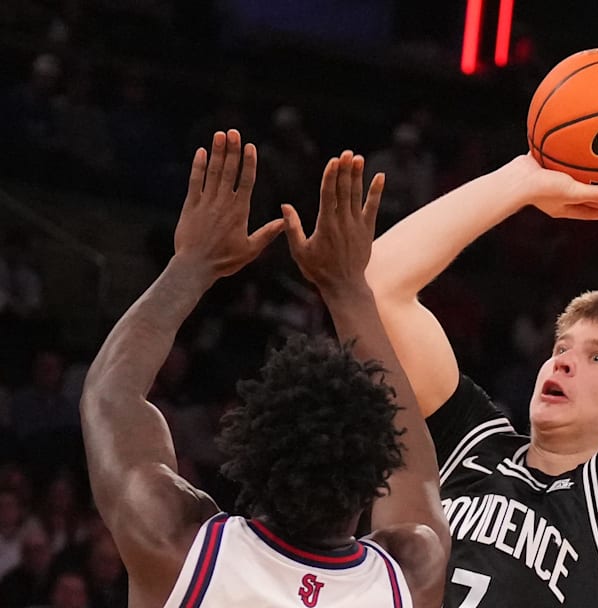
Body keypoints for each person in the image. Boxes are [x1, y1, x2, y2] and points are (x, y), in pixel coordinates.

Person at [365, 64, 598, 607]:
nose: (564, 362)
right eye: (562, 348)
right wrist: (521, 179)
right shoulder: (473, 444)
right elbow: (378, 287)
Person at [79, 130, 448, 608]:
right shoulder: (409, 577)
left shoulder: (176, 548)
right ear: (377, 467)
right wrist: (347, 290)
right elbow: (416, 475)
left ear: (251, 451)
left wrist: (191, 265)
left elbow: (111, 395)